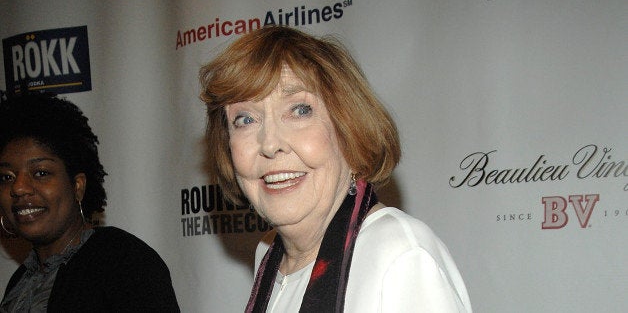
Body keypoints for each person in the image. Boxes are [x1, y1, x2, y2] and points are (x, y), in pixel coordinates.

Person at [199, 26, 472, 312]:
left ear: (348, 130)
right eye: (245, 119)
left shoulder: (399, 255)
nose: (269, 144)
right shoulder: (269, 256)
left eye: (299, 110)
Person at [0, 92, 180, 312]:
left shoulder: (123, 262)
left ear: (77, 186)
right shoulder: (22, 280)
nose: (18, 187)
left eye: (40, 173)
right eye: (6, 177)